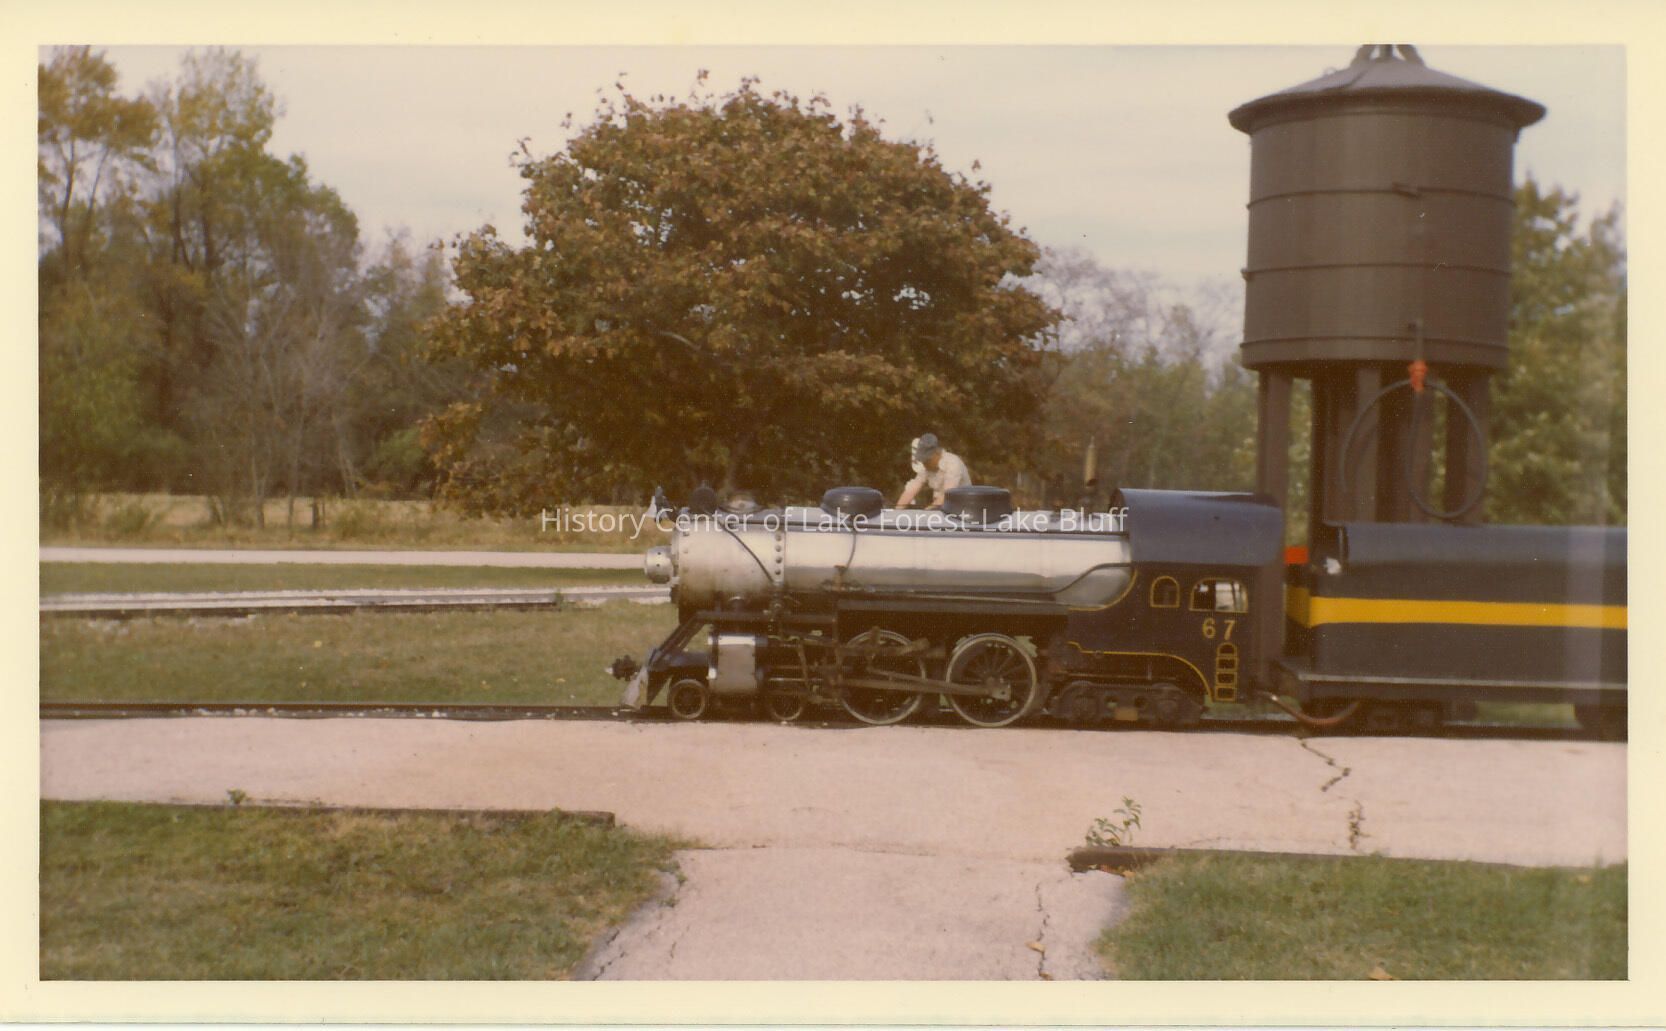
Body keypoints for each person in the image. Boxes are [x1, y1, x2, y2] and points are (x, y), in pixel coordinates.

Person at [896, 433, 971, 508]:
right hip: (943, 508)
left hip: (963, 508)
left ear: (936, 453)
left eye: (927, 459)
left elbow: (947, 496)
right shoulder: (926, 466)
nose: (924, 463)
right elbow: (911, 490)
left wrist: (927, 512)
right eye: (923, 460)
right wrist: (897, 510)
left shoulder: (953, 463)